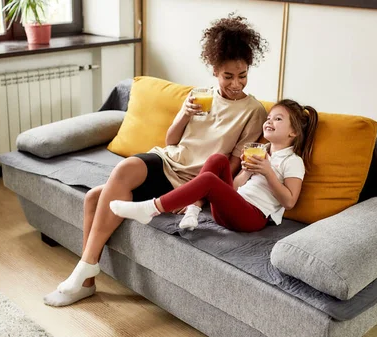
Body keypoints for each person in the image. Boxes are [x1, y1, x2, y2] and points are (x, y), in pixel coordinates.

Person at [43, 14, 270, 307]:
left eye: (243, 75)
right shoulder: (198, 96)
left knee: (96, 198)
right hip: (167, 161)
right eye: (228, 76)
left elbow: (231, 165)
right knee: (118, 175)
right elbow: (171, 141)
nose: (236, 83)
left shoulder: (254, 111)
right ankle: (85, 277)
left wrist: (197, 199)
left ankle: (83, 276)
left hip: (191, 180)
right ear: (214, 70)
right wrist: (185, 113)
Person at [110, 99, 319, 232]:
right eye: (269, 117)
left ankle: (151, 208)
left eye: (278, 119)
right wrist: (246, 171)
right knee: (217, 159)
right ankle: (193, 209)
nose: (269, 121)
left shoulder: (293, 161)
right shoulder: (262, 151)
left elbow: (290, 202)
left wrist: (268, 172)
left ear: (293, 133)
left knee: (210, 180)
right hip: (232, 207)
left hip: (251, 218)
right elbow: (236, 188)